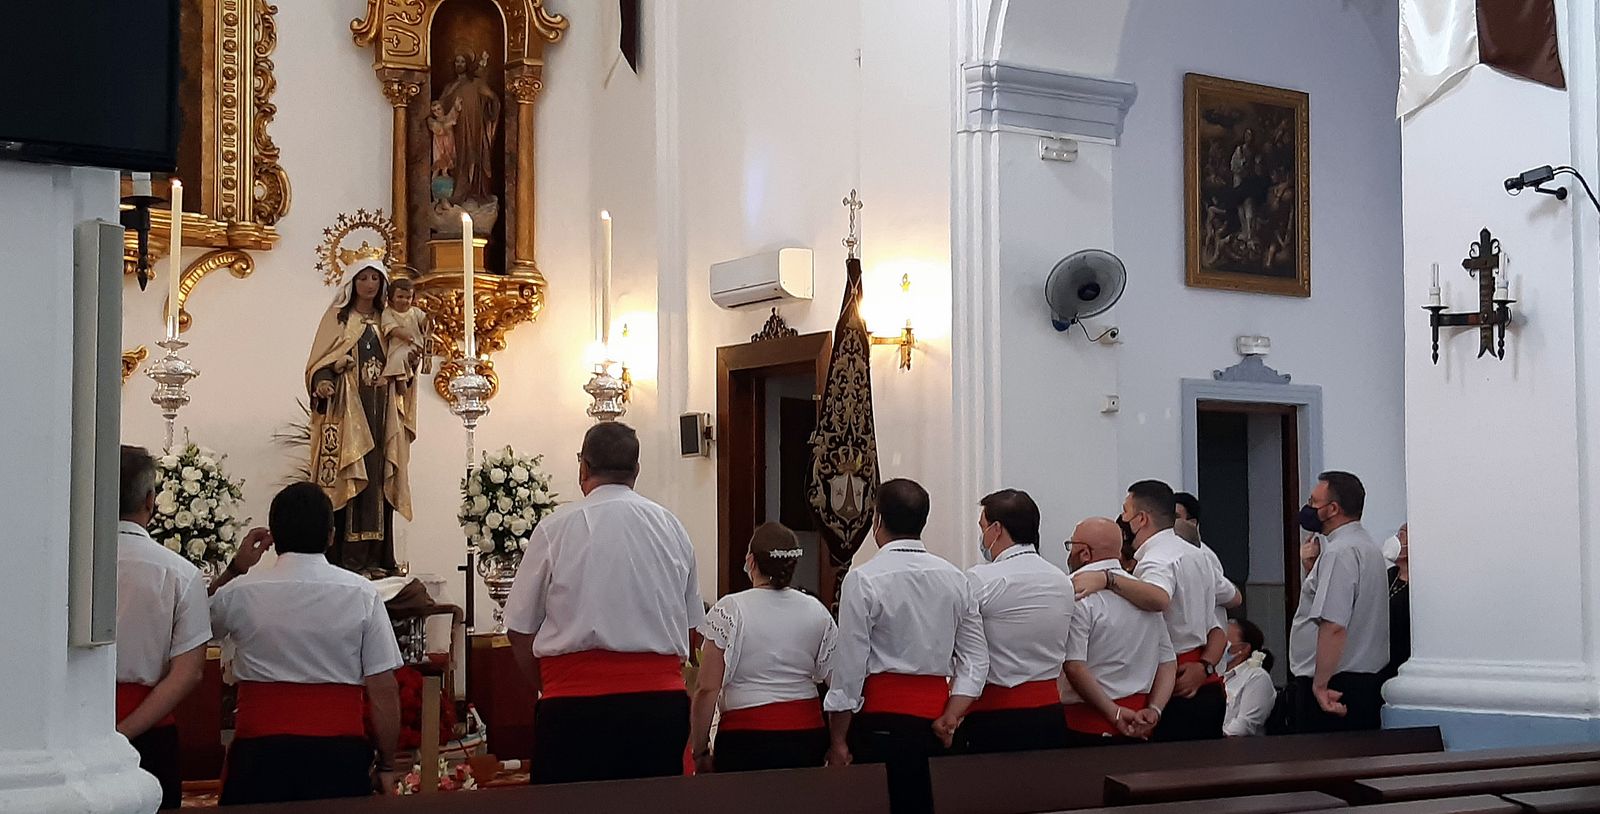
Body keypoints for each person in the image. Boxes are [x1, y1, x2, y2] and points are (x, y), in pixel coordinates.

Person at [504, 422, 704, 784]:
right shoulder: (672, 528)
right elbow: (692, 631)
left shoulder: (555, 528)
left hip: (573, 708)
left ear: (583, 467)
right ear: (636, 470)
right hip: (658, 706)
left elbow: (519, 632)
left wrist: (553, 687)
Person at [210, 482, 403, 805]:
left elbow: (193, 626)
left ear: (272, 538)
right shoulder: (362, 595)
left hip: (259, 754)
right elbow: (383, 687)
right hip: (337, 756)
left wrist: (234, 569)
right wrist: (386, 764)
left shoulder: (241, 592)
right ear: (331, 535)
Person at [824, 478, 986, 814]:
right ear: (923, 521)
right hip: (937, 720)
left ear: (877, 520)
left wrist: (838, 737)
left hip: (882, 719)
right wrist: (952, 715)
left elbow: (850, 666)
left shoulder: (864, 578)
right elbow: (975, 659)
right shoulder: (956, 578)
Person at [1071, 480, 1240, 741]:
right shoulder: (1198, 555)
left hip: (1175, 685)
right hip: (1206, 682)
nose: (1122, 519)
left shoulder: (1156, 560)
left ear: (1140, 519)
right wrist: (1205, 666)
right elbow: (1225, 612)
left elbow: (1158, 599)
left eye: (1125, 512)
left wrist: (1108, 579)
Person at [690, 523, 836, 773]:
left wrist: (700, 749)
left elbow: (707, 687)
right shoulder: (817, 611)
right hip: (807, 735)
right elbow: (838, 683)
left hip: (746, 736)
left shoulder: (730, 610)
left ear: (751, 561)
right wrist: (838, 740)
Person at [114, 445, 212, 809]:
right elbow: (187, 674)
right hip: (150, 733)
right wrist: (124, 733)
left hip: (71, 728)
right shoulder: (180, 573)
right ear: (151, 500)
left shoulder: (61, 563)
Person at [306, 257, 413, 577]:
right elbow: (318, 362)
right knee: (349, 478)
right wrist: (326, 378)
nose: (369, 284)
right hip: (348, 412)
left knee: (379, 480)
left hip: (381, 415)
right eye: (363, 278)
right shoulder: (338, 318)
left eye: (375, 279)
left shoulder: (388, 319)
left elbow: (402, 359)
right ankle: (346, 561)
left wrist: (408, 364)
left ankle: (378, 558)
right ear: (352, 282)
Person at [950, 489, 1072, 754]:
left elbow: (955, 641)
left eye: (982, 527)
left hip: (995, 714)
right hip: (1049, 714)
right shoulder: (1062, 580)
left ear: (996, 529)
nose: (982, 537)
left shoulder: (981, 579)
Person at [1287, 471, 1389, 732]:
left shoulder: (1339, 552)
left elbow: (1334, 624)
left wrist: (1320, 686)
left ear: (1332, 509)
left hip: (1335, 685)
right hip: (1364, 680)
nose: (1308, 508)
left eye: (1313, 502)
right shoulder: (1367, 547)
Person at [1062, 518, 1176, 745]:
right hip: (1141, 721)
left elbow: (1074, 666)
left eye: (1071, 544)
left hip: (1084, 723)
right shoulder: (1143, 594)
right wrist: (1154, 709)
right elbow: (1168, 662)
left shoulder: (1075, 590)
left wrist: (1113, 712)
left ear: (1084, 553)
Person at [1174, 492, 1239, 664]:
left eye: (1176, 517)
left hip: (1205, 651)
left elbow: (1235, 597)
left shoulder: (1201, 555)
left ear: (1192, 523)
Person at [1222, 619, 1276, 737]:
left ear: (1244, 648)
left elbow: (1245, 725)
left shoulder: (1257, 677)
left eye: (1223, 640)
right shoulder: (1217, 675)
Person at [379, 277, 427, 393]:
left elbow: (425, 325)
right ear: (391, 299)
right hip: (397, 346)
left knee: (400, 357)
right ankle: (400, 380)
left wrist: (430, 318)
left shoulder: (415, 312)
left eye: (408, 297)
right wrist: (402, 334)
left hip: (415, 345)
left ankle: (390, 377)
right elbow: (390, 328)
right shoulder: (388, 312)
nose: (404, 301)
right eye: (400, 297)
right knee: (398, 357)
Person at [1382, 523, 1411, 684]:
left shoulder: (1417, 586)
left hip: (1401, 655)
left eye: (1403, 534)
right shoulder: (1390, 575)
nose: (1397, 539)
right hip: (1381, 656)